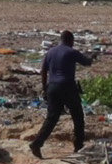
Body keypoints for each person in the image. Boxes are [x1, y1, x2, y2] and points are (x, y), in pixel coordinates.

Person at [30, 29, 93, 157]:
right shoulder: (71, 52)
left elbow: (43, 71)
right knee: (78, 116)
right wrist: (93, 57)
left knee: (52, 118)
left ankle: (37, 143)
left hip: (52, 87)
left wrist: (45, 89)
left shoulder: (50, 52)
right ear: (71, 40)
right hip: (68, 86)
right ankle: (78, 146)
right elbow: (87, 62)